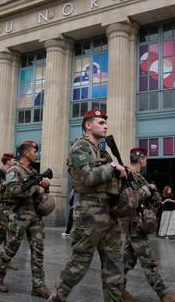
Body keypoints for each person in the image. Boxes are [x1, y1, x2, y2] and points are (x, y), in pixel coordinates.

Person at [47, 109, 127, 302]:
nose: (105, 125)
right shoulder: (80, 147)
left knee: (114, 264)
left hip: (109, 211)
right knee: (78, 264)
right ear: (88, 125)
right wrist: (113, 167)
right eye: (101, 122)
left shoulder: (102, 151)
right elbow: (88, 177)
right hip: (90, 212)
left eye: (105, 123)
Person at [0, 140, 51, 298]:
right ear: (25, 152)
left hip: (35, 215)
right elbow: (13, 190)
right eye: (34, 151)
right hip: (19, 215)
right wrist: (36, 188)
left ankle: (38, 285)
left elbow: (39, 191)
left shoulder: (32, 172)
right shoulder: (14, 170)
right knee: (11, 248)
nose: (36, 154)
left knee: (38, 250)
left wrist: (45, 185)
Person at [121, 148, 175, 302]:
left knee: (128, 260)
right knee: (149, 261)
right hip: (135, 223)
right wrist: (147, 190)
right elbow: (130, 200)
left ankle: (117, 288)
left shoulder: (139, 176)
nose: (147, 161)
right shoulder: (128, 176)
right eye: (145, 158)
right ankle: (163, 294)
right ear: (140, 159)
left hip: (137, 223)